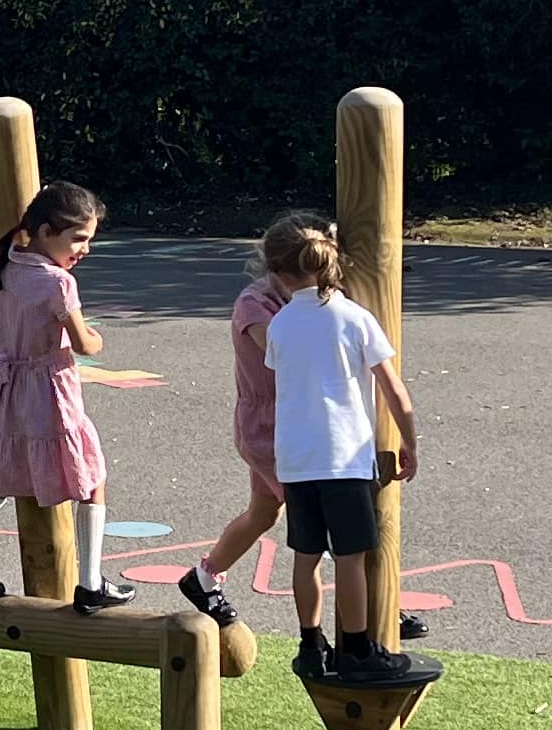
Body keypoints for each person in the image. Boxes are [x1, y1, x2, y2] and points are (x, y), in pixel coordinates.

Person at [0, 182, 129, 613]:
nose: (85, 249)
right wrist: (96, 333)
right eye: (78, 239)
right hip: (47, 387)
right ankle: (91, 582)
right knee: (91, 477)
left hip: (4, 383)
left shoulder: (1, 262)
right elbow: (84, 344)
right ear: (43, 231)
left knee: (4, 472)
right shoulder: (58, 283)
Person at [261, 212, 438, 690]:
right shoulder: (355, 318)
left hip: (296, 457)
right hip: (343, 454)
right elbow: (394, 392)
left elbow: (282, 375)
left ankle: (310, 642)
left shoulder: (279, 324)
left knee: (305, 554)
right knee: (352, 557)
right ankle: (358, 647)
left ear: (277, 272)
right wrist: (410, 441)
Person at [176, 220, 299, 629]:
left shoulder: (306, 298)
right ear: (282, 273)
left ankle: (203, 578)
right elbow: (282, 353)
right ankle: (375, 602)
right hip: (268, 427)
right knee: (318, 512)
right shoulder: (255, 304)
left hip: (292, 419)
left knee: (264, 512)